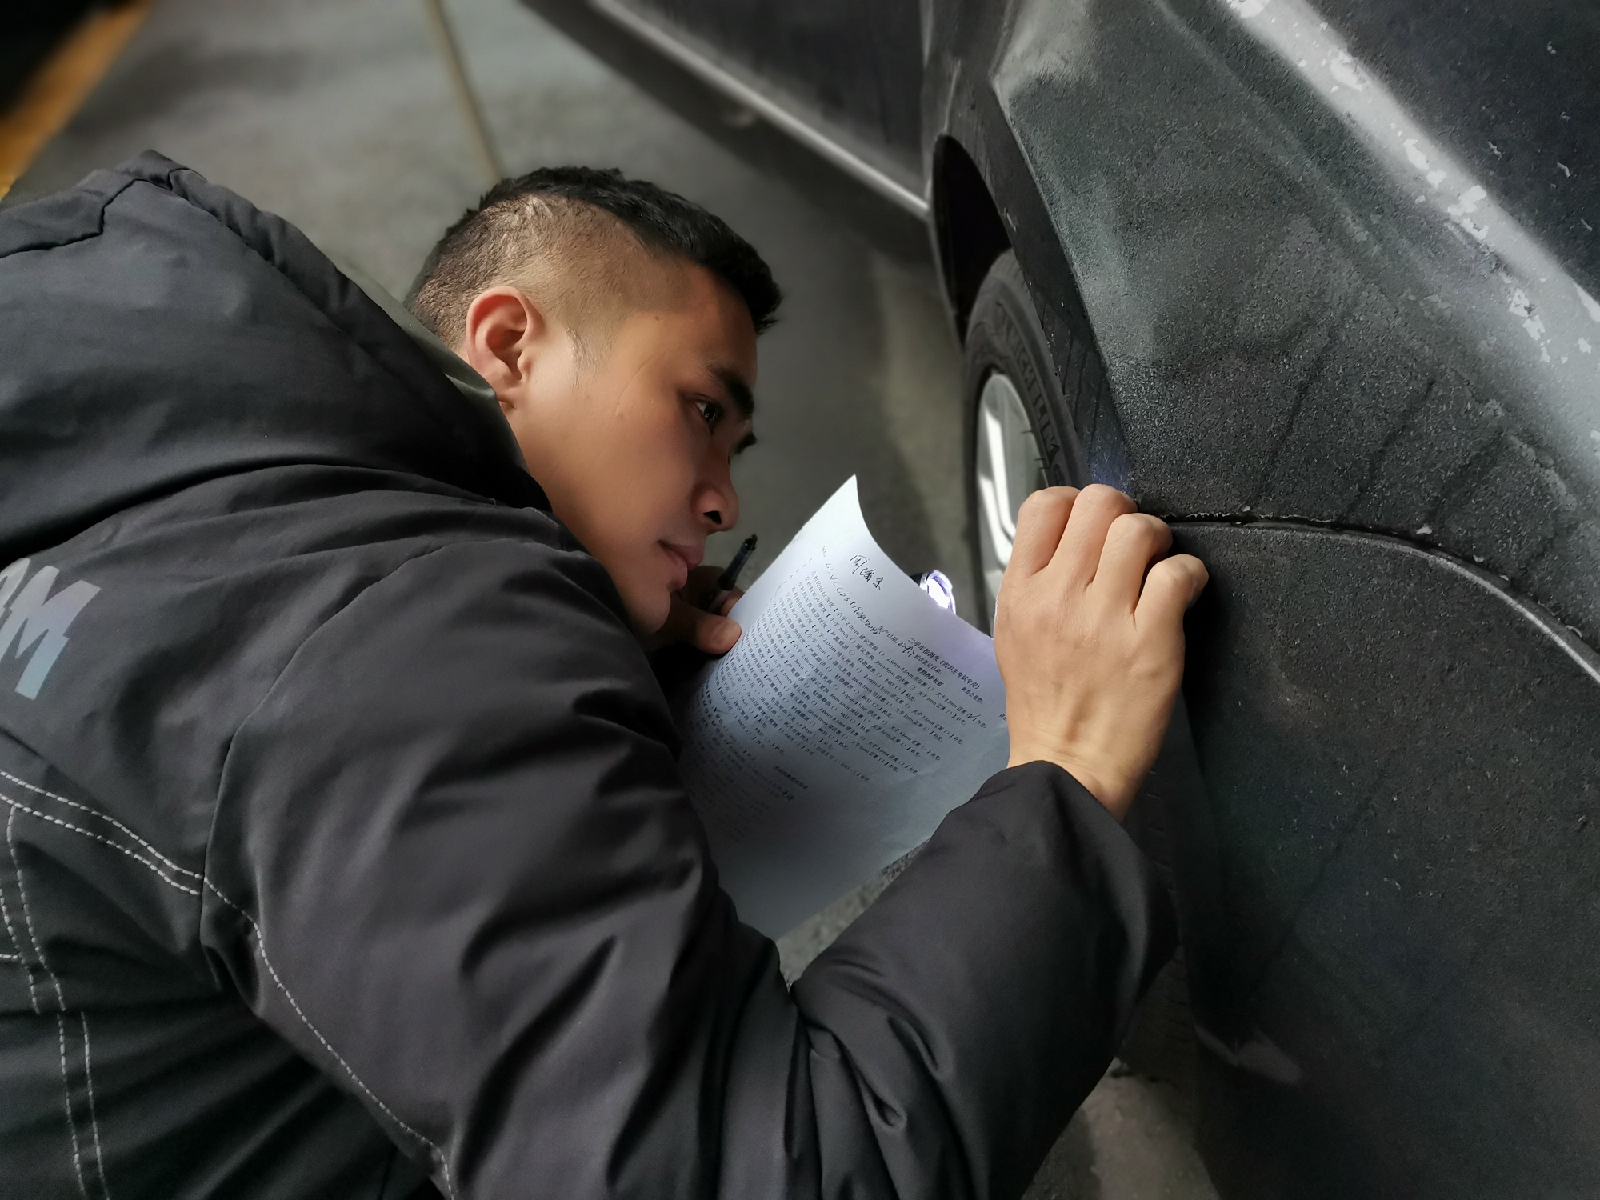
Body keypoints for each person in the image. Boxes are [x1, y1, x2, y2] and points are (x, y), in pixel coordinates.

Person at [0, 152, 1206, 1200]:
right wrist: (1067, 763)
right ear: (509, 339)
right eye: (697, 409)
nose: (727, 495)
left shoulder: (183, 494)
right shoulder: (411, 646)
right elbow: (772, 1169)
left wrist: (589, 720)